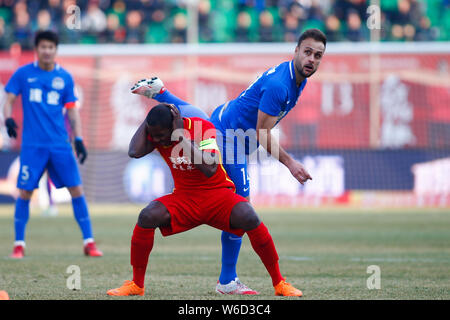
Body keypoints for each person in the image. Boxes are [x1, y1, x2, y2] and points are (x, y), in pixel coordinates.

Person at [130, 28, 326, 294]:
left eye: (318, 55)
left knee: (199, 117)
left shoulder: (296, 78)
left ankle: (162, 92)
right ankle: (227, 281)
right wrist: (291, 164)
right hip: (230, 136)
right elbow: (262, 133)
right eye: (307, 52)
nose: (312, 59)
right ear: (296, 51)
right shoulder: (280, 86)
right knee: (242, 207)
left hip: (228, 121)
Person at [106, 103, 302, 297]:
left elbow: (209, 169)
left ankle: (279, 283)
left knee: (249, 216)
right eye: (154, 135)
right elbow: (134, 152)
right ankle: (136, 285)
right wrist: (148, 121)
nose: (157, 140)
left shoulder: (203, 128)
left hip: (217, 194)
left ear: (175, 125)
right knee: (147, 215)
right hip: (185, 198)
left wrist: (182, 138)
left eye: (161, 135)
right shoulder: (159, 131)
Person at [2, 30, 102, 258]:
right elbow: (7, 100)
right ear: (37, 49)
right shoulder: (23, 74)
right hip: (33, 146)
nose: (47, 51)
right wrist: (7, 118)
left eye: (51, 47)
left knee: (77, 189)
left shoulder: (65, 78)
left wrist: (78, 139)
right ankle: (19, 246)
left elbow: (72, 112)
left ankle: (89, 243)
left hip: (59, 145)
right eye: (43, 47)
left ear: (55, 50)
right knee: (25, 192)